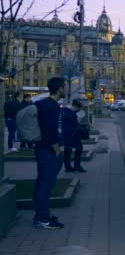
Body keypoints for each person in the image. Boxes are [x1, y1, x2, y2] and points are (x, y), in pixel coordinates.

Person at [33, 77, 67, 229]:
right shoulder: (51, 106)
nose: (66, 89)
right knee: (45, 183)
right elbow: (50, 129)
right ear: (60, 89)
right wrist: (56, 148)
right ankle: (43, 219)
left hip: (42, 149)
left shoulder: (44, 104)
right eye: (65, 86)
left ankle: (42, 214)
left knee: (43, 182)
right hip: (47, 150)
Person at [62, 100, 87, 173]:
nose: (79, 111)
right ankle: (77, 166)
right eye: (79, 109)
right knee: (78, 148)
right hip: (72, 135)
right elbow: (74, 125)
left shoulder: (65, 111)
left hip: (66, 135)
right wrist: (81, 128)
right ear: (76, 106)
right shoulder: (72, 114)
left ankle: (68, 167)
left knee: (67, 150)